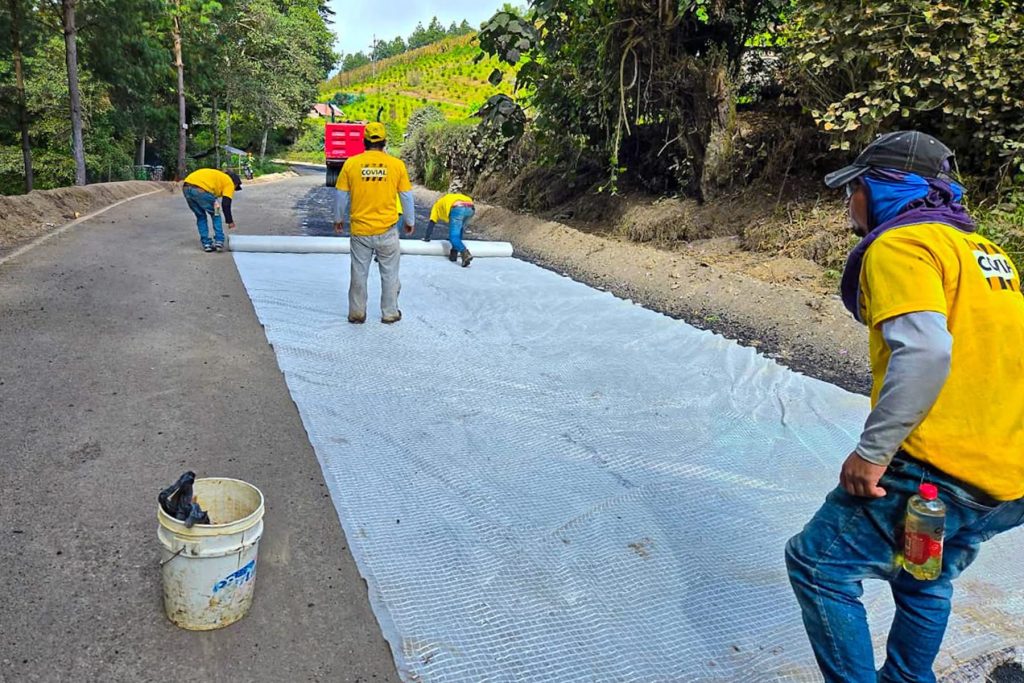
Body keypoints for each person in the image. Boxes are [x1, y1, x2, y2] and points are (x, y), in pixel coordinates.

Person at [785, 131, 1024, 683]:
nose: (849, 203)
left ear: (883, 188)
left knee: (818, 564)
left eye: (854, 189)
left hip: (938, 469)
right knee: (924, 577)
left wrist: (873, 453)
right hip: (1007, 477)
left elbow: (924, 351)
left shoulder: (902, 245)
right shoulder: (987, 253)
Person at [333, 122, 415, 324]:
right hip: (387, 230)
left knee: (359, 273)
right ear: (384, 142)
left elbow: (341, 195)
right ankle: (390, 313)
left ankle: (357, 313)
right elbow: (406, 196)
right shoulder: (396, 165)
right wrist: (409, 220)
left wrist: (338, 218)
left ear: (364, 141)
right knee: (390, 274)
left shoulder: (351, 164)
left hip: (360, 231)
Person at [182, 168, 242, 252]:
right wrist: (230, 221)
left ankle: (206, 244)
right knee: (216, 214)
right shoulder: (229, 183)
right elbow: (226, 203)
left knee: (200, 216)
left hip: (186, 188)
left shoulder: (219, 177)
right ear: (235, 183)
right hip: (201, 190)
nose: (234, 190)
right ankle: (219, 241)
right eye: (235, 187)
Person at [423, 190, 475, 267]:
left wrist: (426, 238)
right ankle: (454, 255)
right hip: (471, 208)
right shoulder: (447, 199)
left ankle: (465, 253)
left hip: (458, 207)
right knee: (459, 229)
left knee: (453, 237)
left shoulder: (436, 206)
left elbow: (432, 223)